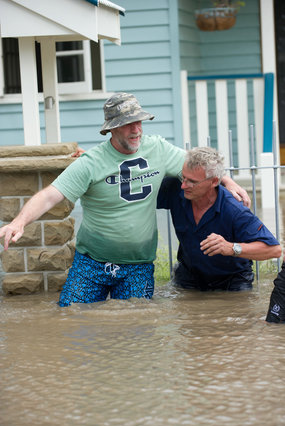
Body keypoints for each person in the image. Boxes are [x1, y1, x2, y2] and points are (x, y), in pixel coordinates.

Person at [0, 93, 250, 305]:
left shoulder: (159, 149)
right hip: (91, 264)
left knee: (137, 327)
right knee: (72, 321)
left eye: (139, 122)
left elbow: (200, 169)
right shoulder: (91, 163)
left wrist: (228, 181)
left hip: (138, 266)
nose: (137, 130)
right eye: (128, 124)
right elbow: (49, 196)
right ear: (110, 128)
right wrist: (18, 223)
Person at [157, 147, 281, 291]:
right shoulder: (176, 189)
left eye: (192, 181)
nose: (184, 185)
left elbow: (274, 250)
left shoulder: (234, 209)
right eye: (183, 177)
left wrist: (231, 248)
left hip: (232, 282)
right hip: (189, 277)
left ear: (214, 182)